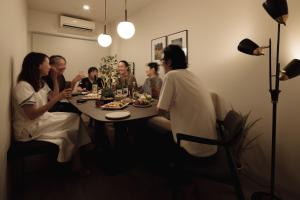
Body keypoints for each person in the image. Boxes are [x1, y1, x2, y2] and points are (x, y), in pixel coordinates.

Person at [13, 52, 91, 165]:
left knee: (75, 117)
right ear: (38, 66)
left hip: (42, 118)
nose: (49, 66)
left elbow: (53, 97)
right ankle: (78, 158)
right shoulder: (23, 86)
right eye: (47, 63)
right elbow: (32, 114)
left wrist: (54, 79)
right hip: (28, 128)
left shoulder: (41, 82)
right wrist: (59, 96)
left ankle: (80, 150)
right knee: (71, 126)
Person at [156, 44, 218, 160]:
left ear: (168, 62)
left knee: (152, 129)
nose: (162, 65)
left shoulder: (171, 76)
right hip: (211, 145)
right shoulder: (191, 75)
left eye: (162, 61)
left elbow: (160, 110)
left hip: (193, 146)